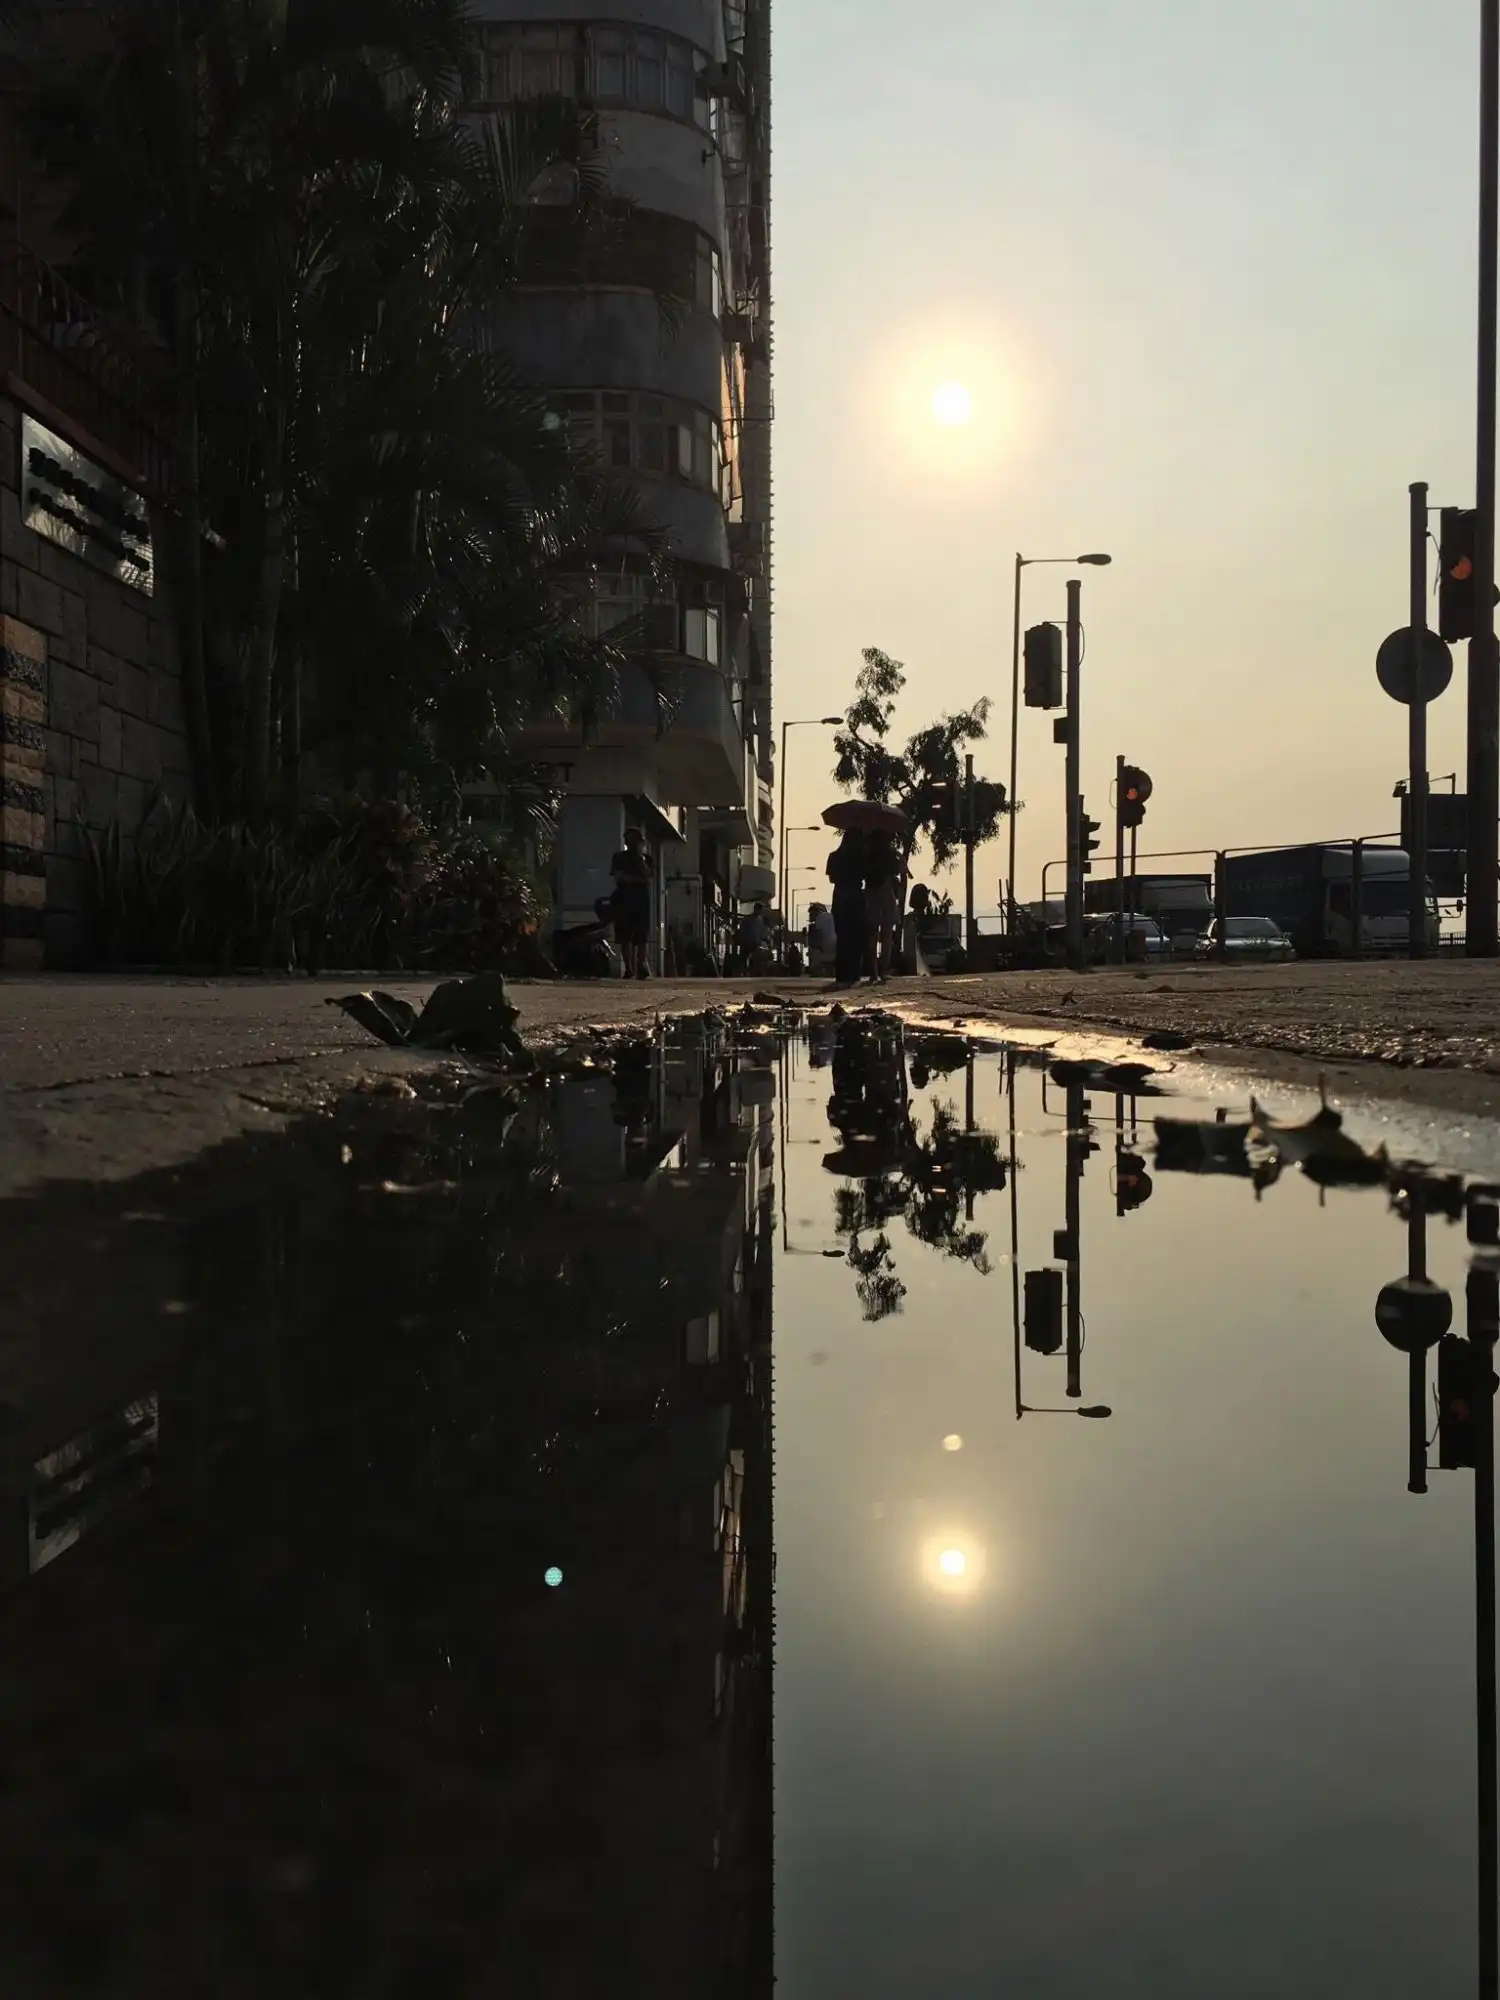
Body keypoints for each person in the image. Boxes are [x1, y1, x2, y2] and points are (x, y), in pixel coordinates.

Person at [609, 825, 652, 978]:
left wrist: (640, 859)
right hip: (624, 898)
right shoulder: (620, 857)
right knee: (625, 935)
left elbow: (648, 877)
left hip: (641, 900)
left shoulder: (646, 859)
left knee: (642, 936)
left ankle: (641, 964)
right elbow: (619, 877)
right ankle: (629, 968)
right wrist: (636, 879)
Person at [826, 828, 867, 986]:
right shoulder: (861, 857)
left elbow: (831, 878)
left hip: (840, 896)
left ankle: (842, 973)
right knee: (855, 936)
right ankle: (854, 972)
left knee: (842, 937)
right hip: (855, 896)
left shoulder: (834, 856)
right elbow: (866, 876)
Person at [864, 827, 902, 982]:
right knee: (886, 935)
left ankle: (874, 972)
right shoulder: (890, 854)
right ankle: (884, 971)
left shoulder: (867, 854)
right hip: (886, 893)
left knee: (872, 935)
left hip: (871, 894)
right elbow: (897, 871)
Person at [806, 900, 836, 975]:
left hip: (826, 951)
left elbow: (817, 941)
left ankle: (817, 970)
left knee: (812, 948)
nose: (810, 916)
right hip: (837, 949)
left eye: (810, 914)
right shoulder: (831, 917)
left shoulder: (818, 920)